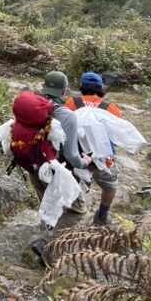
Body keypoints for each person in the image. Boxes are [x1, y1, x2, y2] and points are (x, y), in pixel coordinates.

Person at [27, 70, 91, 265]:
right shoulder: (67, 116)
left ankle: (46, 256)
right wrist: (84, 162)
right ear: (64, 91)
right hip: (57, 171)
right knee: (77, 211)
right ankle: (45, 243)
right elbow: (71, 154)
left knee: (49, 203)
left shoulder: (32, 106)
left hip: (34, 166)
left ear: (44, 86)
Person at [65, 72, 123, 226]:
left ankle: (68, 216)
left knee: (71, 185)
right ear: (101, 88)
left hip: (75, 158)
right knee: (110, 186)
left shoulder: (71, 102)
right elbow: (118, 132)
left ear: (82, 86)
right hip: (102, 160)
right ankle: (102, 217)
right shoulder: (110, 107)